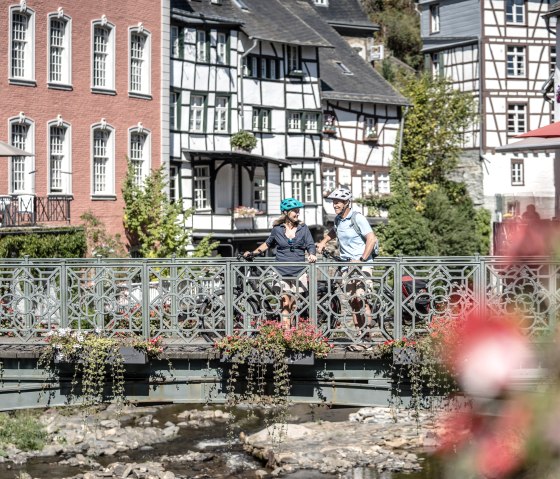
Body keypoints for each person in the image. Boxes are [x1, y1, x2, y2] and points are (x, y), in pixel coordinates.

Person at [316, 187, 378, 349]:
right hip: (346, 266)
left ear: (346, 203)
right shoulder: (338, 219)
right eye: (333, 202)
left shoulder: (357, 218)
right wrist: (323, 242)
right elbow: (334, 232)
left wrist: (362, 259)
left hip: (362, 266)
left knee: (362, 300)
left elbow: (371, 239)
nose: (335, 205)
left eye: (338, 202)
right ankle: (360, 338)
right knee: (353, 302)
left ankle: (368, 339)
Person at [244, 198, 317, 328]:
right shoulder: (277, 230)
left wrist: (312, 254)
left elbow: (310, 244)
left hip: (298, 271)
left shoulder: (303, 228)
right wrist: (253, 253)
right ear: (286, 213)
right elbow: (267, 244)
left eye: (298, 211)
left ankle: (293, 331)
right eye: (294, 211)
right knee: (285, 301)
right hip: (282, 271)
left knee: (294, 304)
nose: (297, 213)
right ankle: (286, 331)